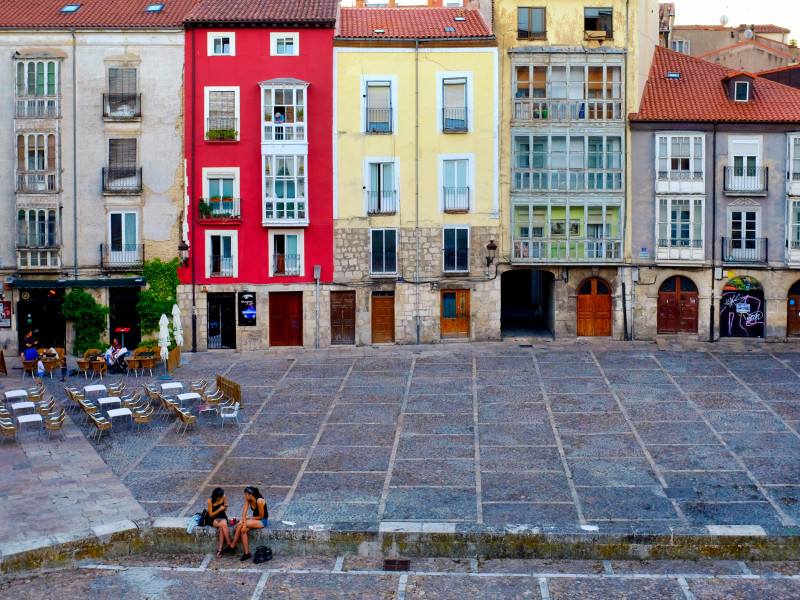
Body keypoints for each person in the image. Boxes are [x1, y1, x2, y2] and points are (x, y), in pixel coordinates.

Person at [230, 487, 268, 561]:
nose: (245, 496)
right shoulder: (249, 500)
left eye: (246, 494)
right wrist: (245, 524)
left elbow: (261, 516)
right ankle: (247, 553)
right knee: (242, 530)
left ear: (251, 495)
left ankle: (233, 545)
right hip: (254, 520)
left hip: (262, 521)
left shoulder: (260, 501)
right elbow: (244, 513)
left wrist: (249, 519)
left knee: (240, 523)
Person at [207, 487, 232, 558]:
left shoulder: (223, 496)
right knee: (224, 524)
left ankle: (220, 550)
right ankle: (229, 542)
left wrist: (225, 507)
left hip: (222, 516)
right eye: (218, 497)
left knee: (221, 528)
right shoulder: (210, 501)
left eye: (220, 497)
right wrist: (219, 509)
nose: (220, 498)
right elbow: (211, 514)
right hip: (213, 518)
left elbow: (224, 509)